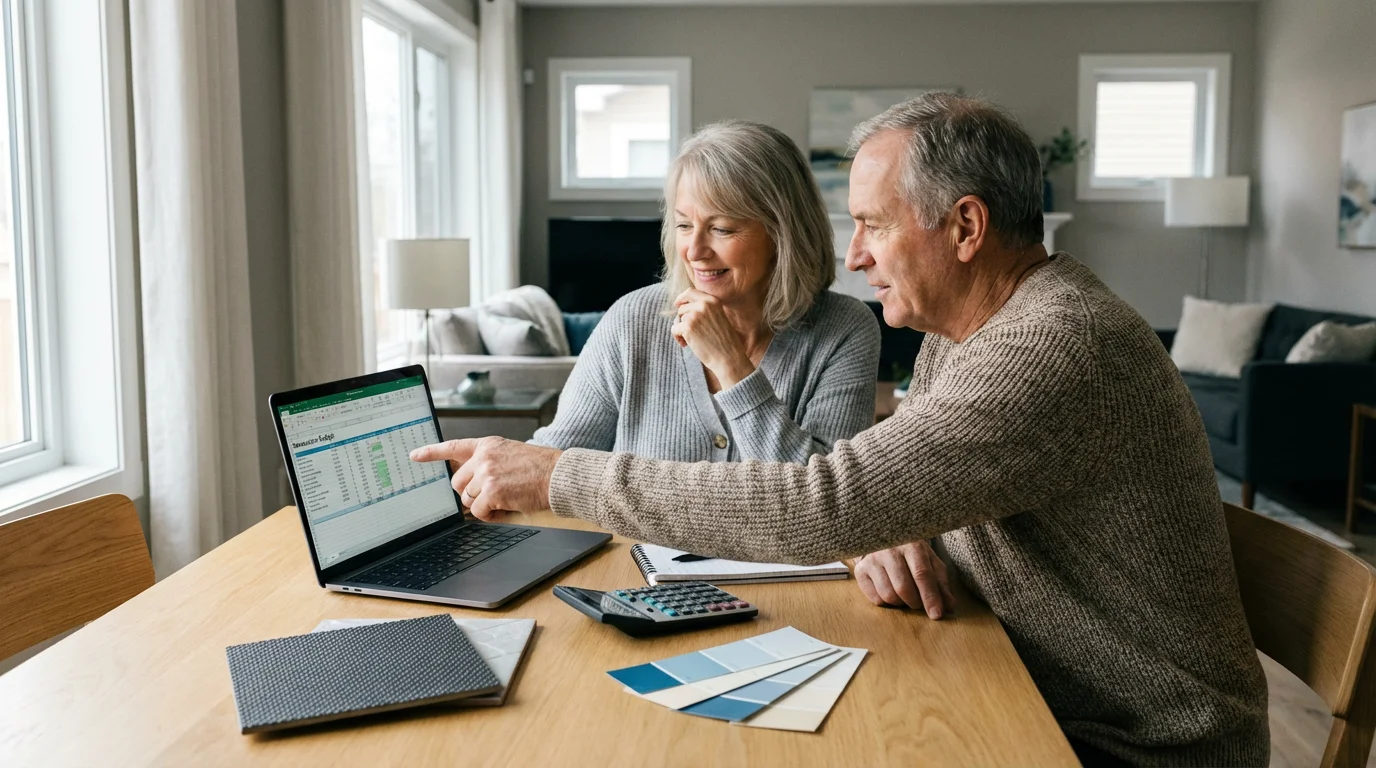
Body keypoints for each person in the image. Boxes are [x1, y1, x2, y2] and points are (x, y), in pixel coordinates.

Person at [411, 93, 1269, 766]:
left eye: (875, 224)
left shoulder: (1050, 344)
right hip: (1029, 674)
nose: (854, 255)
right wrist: (881, 533)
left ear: (966, 227)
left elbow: (827, 500)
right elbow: (890, 492)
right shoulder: (965, 332)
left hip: (1131, 743)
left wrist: (556, 477)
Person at [530, 120, 880, 464]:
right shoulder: (632, 318)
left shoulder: (845, 329)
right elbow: (554, 457)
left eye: (722, 228)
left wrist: (730, 365)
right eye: (684, 225)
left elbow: (826, 502)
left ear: (782, 234)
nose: (695, 251)